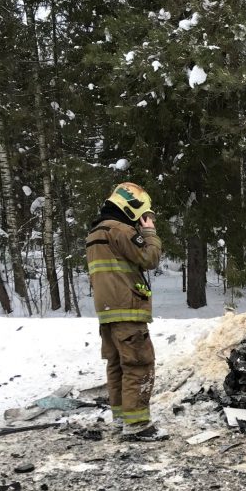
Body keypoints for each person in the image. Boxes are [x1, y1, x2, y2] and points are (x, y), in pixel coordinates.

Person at [86, 182, 168, 441]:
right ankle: (138, 424)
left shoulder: (95, 233)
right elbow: (149, 258)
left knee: (117, 364)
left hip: (107, 311)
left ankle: (122, 417)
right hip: (127, 308)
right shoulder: (120, 231)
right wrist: (150, 233)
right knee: (138, 363)